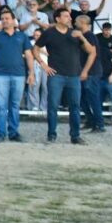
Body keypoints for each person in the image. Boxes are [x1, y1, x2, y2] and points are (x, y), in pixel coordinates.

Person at [33, 8, 95, 144]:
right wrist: (44, 65)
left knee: (75, 107)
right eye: (66, 16)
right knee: (53, 106)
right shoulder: (49, 33)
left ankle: (75, 136)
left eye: (69, 16)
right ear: (58, 18)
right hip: (56, 75)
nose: (70, 18)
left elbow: (91, 51)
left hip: (74, 76)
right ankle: (51, 135)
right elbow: (35, 49)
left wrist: (82, 37)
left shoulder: (75, 33)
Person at [0, 7, 34, 142]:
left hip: (19, 74)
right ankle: (0, 133)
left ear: (13, 20)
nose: (4, 21)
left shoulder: (22, 36)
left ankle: (13, 132)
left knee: (15, 105)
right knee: (1, 106)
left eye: (7, 18)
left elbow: (29, 55)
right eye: (2, 19)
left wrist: (31, 72)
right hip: (0, 75)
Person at [74, 15, 105, 133]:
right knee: (82, 99)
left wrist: (85, 71)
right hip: (85, 71)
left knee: (93, 99)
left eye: (76, 21)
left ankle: (99, 124)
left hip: (91, 72)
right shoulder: (84, 36)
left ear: (82, 22)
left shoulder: (89, 36)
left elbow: (92, 54)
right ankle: (91, 121)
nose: (74, 23)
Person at [27, 28, 49, 112]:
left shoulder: (47, 43)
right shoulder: (31, 43)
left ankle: (44, 107)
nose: (36, 37)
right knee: (34, 86)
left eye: (38, 35)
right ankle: (34, 106)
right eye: (35, 35)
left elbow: (50, 54)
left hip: (46, 65)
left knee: (46, 87)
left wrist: (40, 50)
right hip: (35, 65)